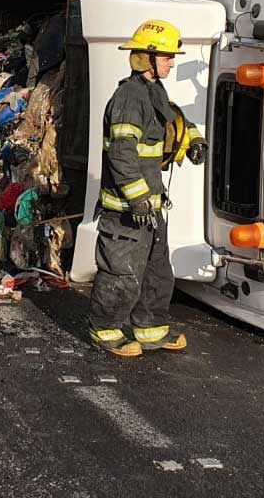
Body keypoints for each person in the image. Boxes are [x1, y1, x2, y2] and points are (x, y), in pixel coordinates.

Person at [88, 19, 207, 358]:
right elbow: (122, 155)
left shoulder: (153, 92)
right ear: (148, 58)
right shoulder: (128, 97)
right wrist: (138, 199)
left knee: (156, 271)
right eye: (167, 56)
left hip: (150, 208)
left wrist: (194, 140)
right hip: (127, 210)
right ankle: (105, 331)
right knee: (120, 274)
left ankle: (151, 330)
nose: (173, 62)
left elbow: (174, 120)